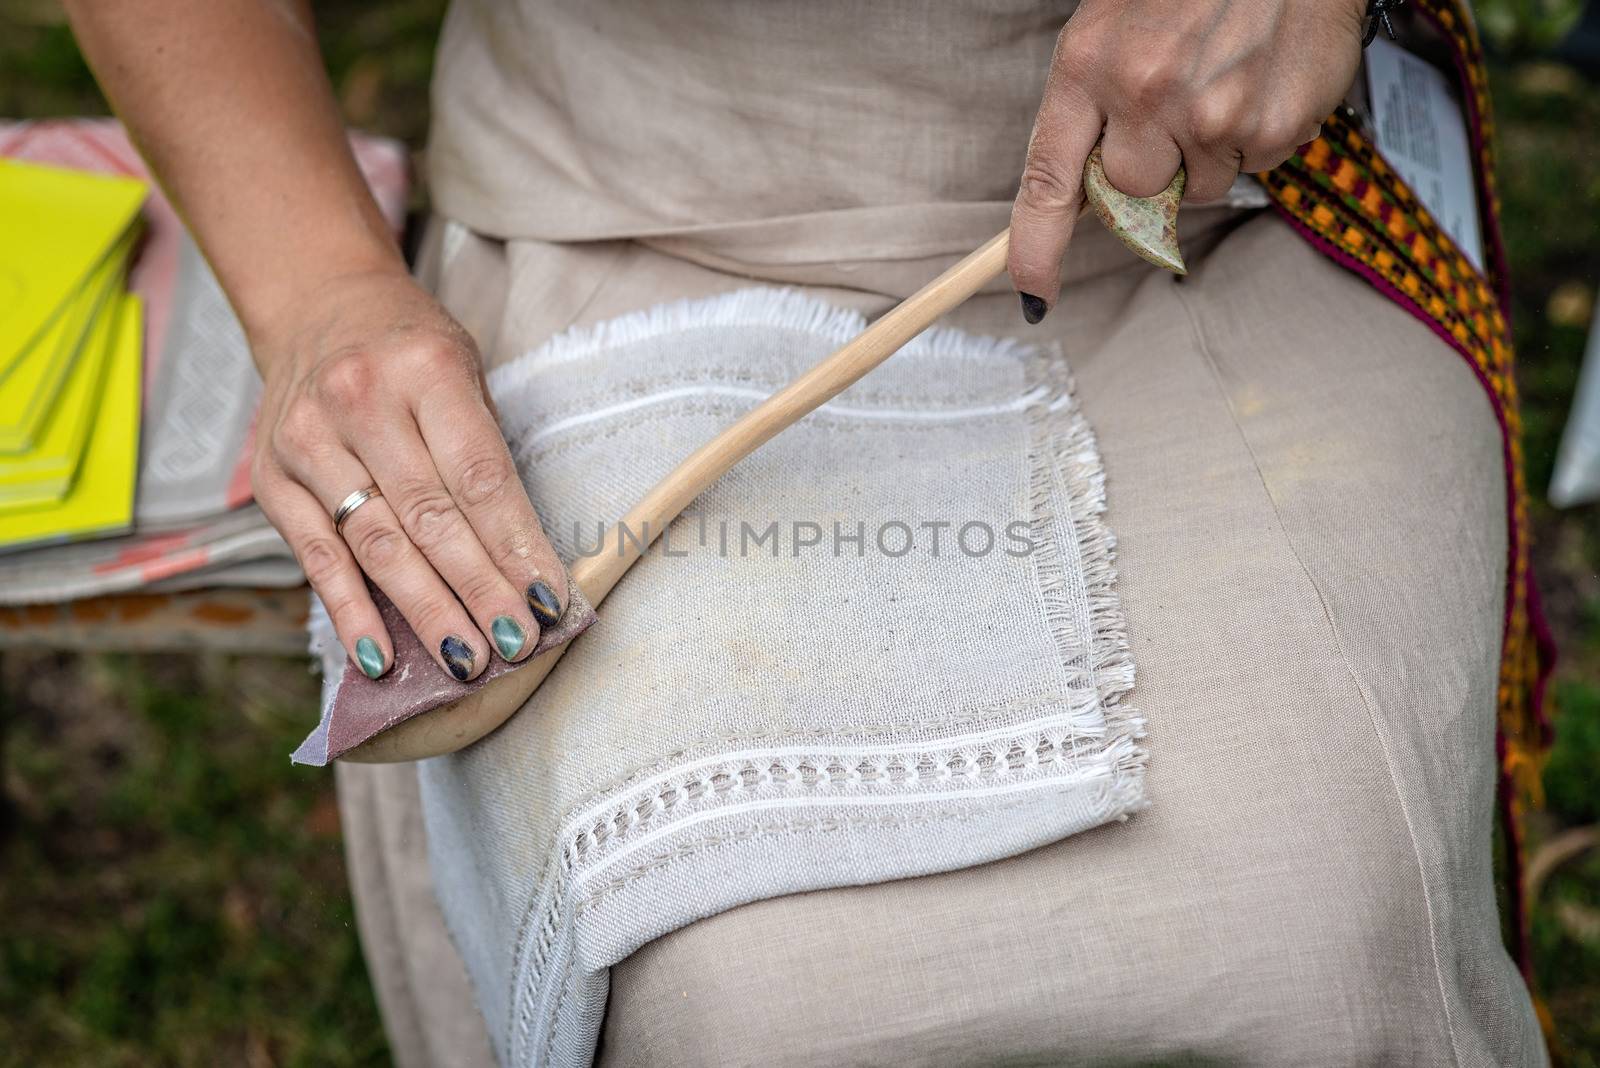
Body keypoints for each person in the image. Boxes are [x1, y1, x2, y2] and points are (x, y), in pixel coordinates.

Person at [65, 0, 1547, 1064]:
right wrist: (321, 289)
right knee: (748, 998)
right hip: (627, 220)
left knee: (1324, 951)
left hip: (1211, 193)